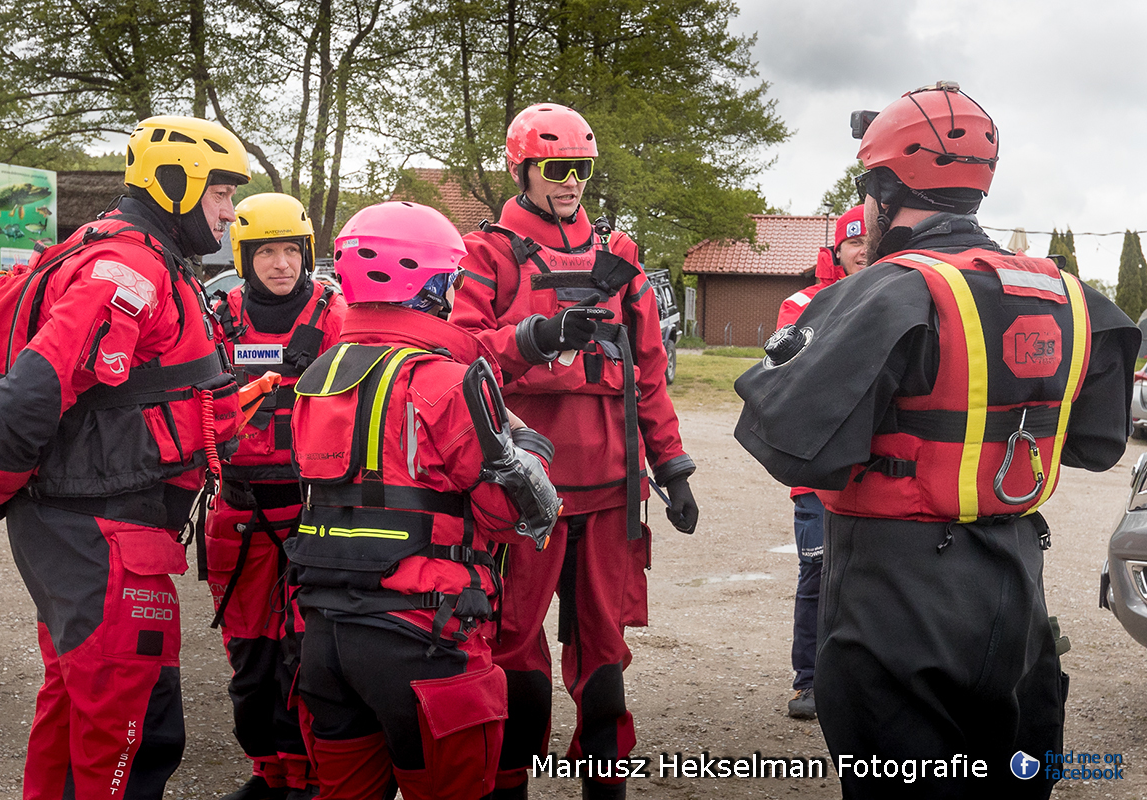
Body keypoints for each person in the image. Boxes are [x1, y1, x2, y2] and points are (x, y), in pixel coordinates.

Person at [734, 81, 1139, 799]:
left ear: (883, 192)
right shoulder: (1076, 297)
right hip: (1017, 591)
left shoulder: (887, 289)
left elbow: (787, 439)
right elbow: (1097, 445)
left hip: (897, 599)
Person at [0, 116, 249, 799]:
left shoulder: (140, 255)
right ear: (175, 187)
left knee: (75, 710)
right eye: (221, 194)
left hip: (91, 529)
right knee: (129, 729)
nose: (231, 212)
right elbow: (33, 392)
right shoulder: (130, 270)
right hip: (102, 535)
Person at [452, 102, 698, 800]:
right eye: (556, 169)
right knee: (512, 650)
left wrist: (672, 466)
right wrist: (535, 336)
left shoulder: (619, 258)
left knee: (604, 660)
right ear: (521, 168)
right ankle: (506, 783)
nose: (570, 183)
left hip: (612, 491)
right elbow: (459, 355)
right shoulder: (489, 253)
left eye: (581, 170)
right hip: (524, 496)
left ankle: (604, 787)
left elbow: (648, 371)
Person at [286, 200, 561, 800]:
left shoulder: (321, 375)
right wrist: (531, 448)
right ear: (429, 283)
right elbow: (517, 513)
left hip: (325, 635)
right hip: (424, 640)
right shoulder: (444, 380)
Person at [206, 193, 349, 800]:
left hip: (310, 506)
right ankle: (266, 772)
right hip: (238, 509)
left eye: (291, 250)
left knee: (305, 654)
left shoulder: (335, 315)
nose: (282, 264)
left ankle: (305, 776)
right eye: (267, 251)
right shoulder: (217, 316)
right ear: (244, 256)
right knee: (250, 657)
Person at [774, 204, 867, 721]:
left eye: (870, 240)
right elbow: (797, 379)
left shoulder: (902, 290)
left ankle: (864, 683)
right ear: (837, 248)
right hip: (817, 473)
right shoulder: (802, 304)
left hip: (877, 472)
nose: (863, 251)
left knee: (875, 578)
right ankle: (809, 682)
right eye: (854, 242)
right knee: (818, 572)